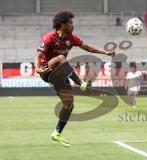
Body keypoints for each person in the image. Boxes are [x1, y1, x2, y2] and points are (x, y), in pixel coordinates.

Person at [34, 10, 115, 147]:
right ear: (62, 24)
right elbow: (37, 56)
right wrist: (37, 68)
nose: (73, 25)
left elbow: (87, 47)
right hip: (47, 71)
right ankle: (81, 83)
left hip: (60, 74)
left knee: (69, 105)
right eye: (70, 23)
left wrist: (104, 52)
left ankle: (57, 133)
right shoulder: (49, 38)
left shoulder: (71, 39)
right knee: (61, 58)